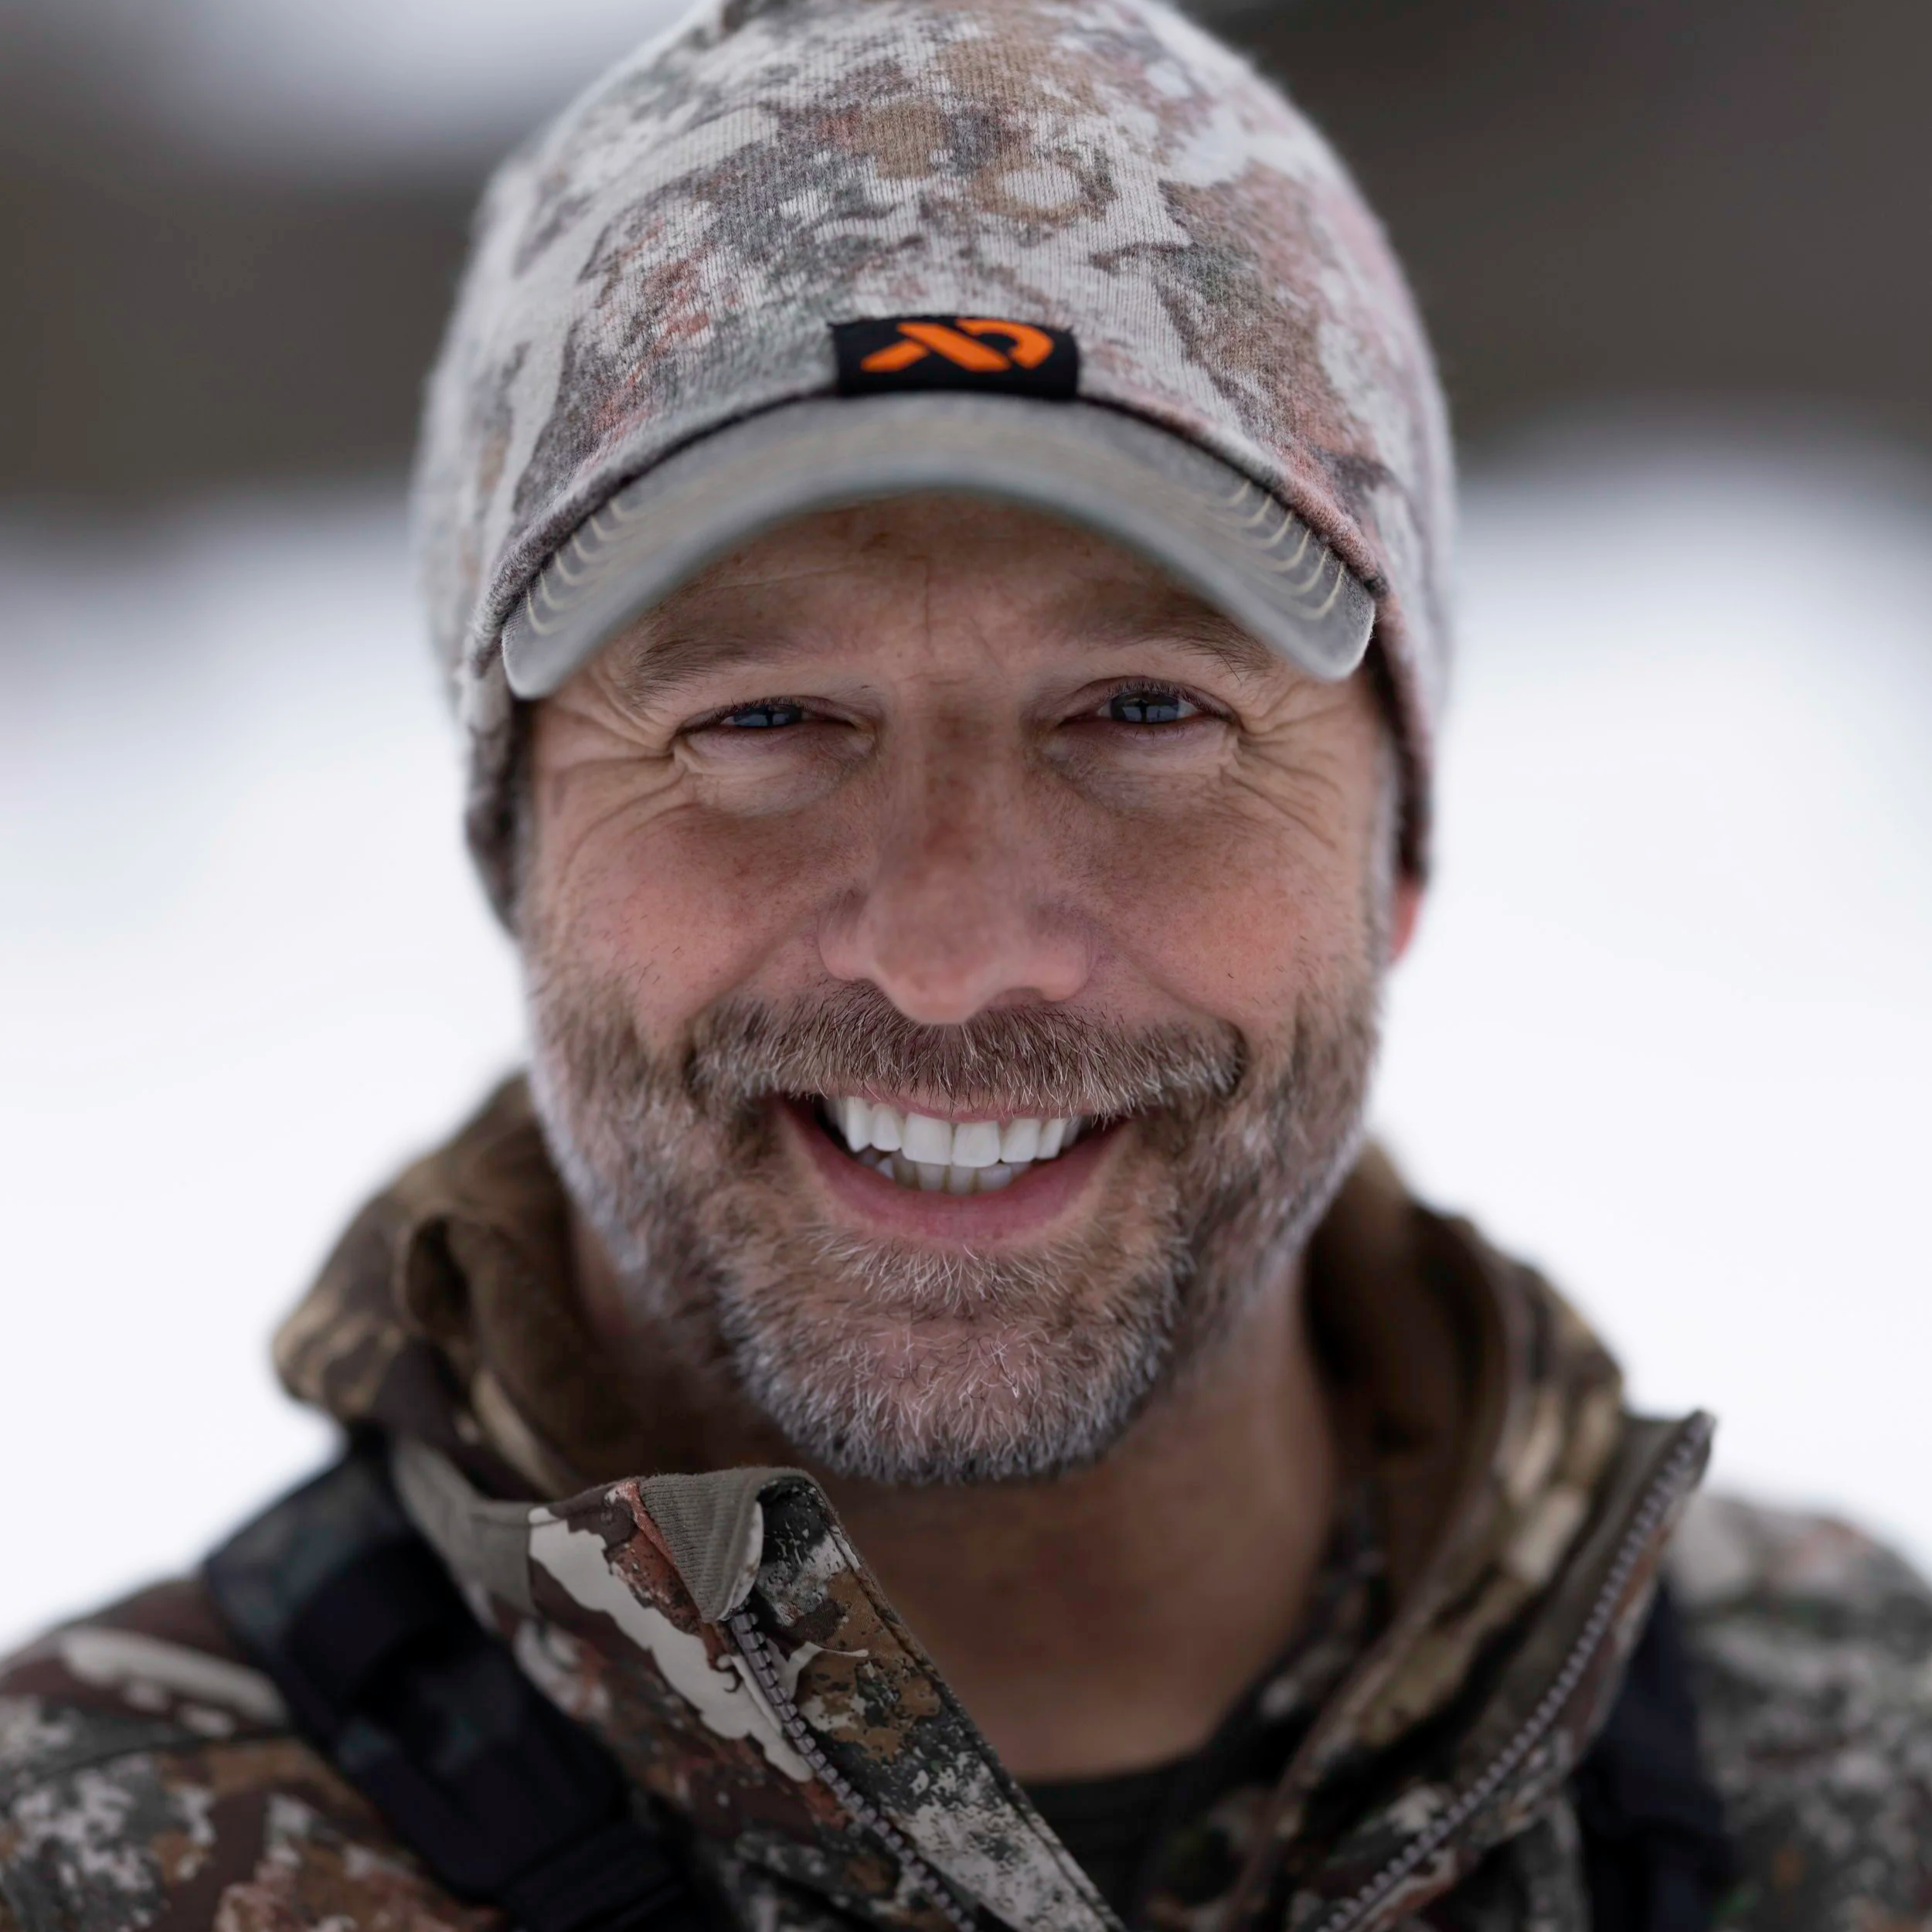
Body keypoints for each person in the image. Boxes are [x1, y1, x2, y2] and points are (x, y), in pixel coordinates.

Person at [2, 1, 1926, 1927]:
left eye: (1145, 709)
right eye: (762, 719)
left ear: (1394, 837)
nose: (948, 953)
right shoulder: (85, 1863)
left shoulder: (1859, 1777)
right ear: (515, 850)